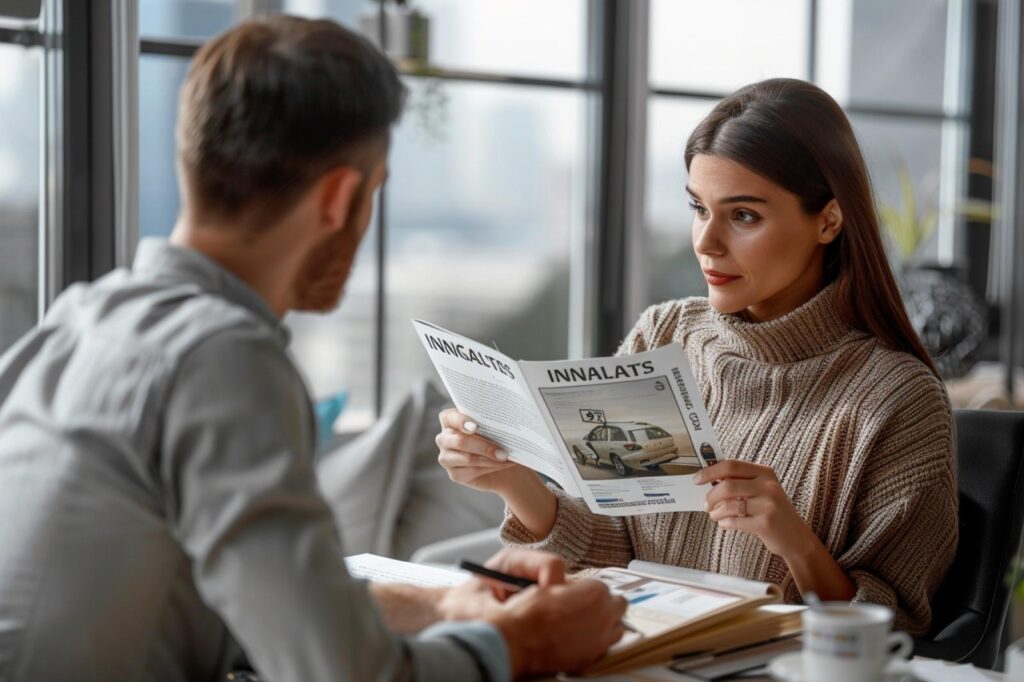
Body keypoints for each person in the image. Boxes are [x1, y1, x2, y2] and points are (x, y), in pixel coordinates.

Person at [0, 16, 627, 682]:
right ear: (339, 197)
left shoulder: (76, 321)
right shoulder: (222, 358)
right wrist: (523, 644)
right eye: (374, 192)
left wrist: (447, 604)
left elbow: (259, 606)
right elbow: (342, 675)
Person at [437, 78, 958, 636]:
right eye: (698, 208)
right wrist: (511, 478)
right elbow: (611, 548)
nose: (707, 242)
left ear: (828, 220)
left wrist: (795, 542)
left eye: (744, 216)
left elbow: (895, 629)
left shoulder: (899, 400)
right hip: (635, 654)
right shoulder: (664, 334)